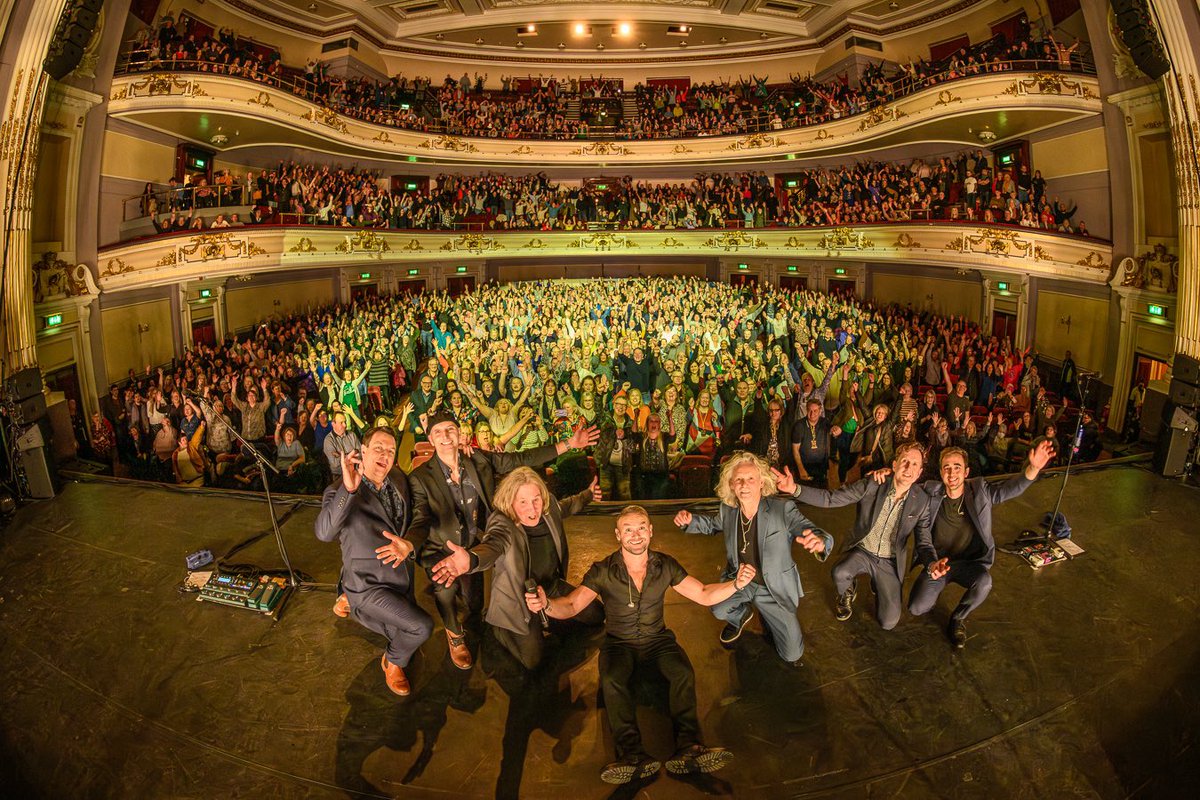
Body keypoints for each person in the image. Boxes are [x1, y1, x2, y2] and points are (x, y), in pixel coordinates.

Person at [526, 505, 751, 784]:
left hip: (658, 640)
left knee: (681, 672)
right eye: (629, 530)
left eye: (641, 528)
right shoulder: (603, 570)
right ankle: (633, 755)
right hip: (619, 642)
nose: (636, 535)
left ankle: (690, 747)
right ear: (618, 535)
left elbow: (703, 594)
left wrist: (736, 585)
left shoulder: (665, 565)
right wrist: (545, 605)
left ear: (650, 531)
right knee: (612, 680)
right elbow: (572, 605)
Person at [408, 411, 599, 670]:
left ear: (460, 433)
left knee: (475, 604)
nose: (445, 436)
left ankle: (495, 619)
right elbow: (420, 518)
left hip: (476, 540)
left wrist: (568, 444)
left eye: (450, 429)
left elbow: (522, 459)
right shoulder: (420, 477)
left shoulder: (477, 459)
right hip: (442, 547)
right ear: (430, 438)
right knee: (445, 588)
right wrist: (409, 543)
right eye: (438, 432)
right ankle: (455, 636)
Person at [429, 466, 603, 669]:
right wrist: (471, 559)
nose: (533, 508)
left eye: (536, 499)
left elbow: (569, 505)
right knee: (533, 661)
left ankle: (546, 615)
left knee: (596, 615)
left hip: (550, 587)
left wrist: (589, 494)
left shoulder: (550, 508)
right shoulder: (503, 523)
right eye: (523, 502)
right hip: (517, 599)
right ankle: (499, 628)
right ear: (510, 502)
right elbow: (492, 545)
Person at [673, 452, 832, 665]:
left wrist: (820, 542)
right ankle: (741, 615)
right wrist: (689, 521)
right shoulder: (728, 509)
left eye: (750, 479)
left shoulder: (782, 509)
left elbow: (810, 530)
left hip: (772, 588)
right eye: (738, 479)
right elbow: (712, 525)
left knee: (792, 654)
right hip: (740, 581)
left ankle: (769, 617)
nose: (744, 484)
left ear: (761, 483)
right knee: (719, 608)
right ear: (731, 484)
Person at [315, 426, 431, 696]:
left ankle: (349, 602)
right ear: (362, 452)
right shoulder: (339, 491)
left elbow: (419, 517)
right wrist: (349, 489)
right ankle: (392, 661)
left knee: (400, 632)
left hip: (401, 578)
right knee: (420, 628)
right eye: (378, 448)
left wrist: (410, 543)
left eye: (391, 451)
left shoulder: (399, 479)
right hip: (368, 585)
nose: (385, 455)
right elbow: (324, 533)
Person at [906, 439, 1055, 648]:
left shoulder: (980, 491)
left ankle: (958, 618)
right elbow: (905, 487)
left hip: (970, 564)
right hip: (939, 565)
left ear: (966, 472)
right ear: (940, 473)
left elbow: (1009, 489)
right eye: (946, 468)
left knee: (984, 582)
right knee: (916, 608)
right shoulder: (929, 493)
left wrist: (1033, 468)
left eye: (957, 467)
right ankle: (935, 589)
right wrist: (932, 565)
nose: (951, 473)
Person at [774, 441, 934, 630]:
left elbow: (924, 542)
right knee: (840, 572)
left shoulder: (922, 501)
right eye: (905, 461)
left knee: (888, 622)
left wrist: (932, 563)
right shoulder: (873, 484)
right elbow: (830, 499)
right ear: (894, 465)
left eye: (915, 464)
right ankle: (848, 590)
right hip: (863, 551)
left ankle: (879, 582)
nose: (908, 468)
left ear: (919, 472)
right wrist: (794, 489)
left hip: (889, 561)